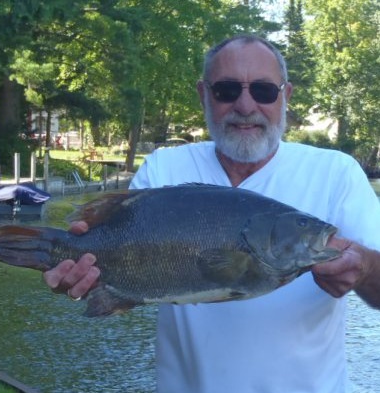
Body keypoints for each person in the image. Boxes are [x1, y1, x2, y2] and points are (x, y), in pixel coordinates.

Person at [44, 35, 380, 393]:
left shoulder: (335, 172)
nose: (246, 105)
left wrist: (365, 269)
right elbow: (119, 257)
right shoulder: (164, 168)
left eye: (264, 91)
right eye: (227, 90)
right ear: (204, 95)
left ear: (286, 96)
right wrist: (79, 269)